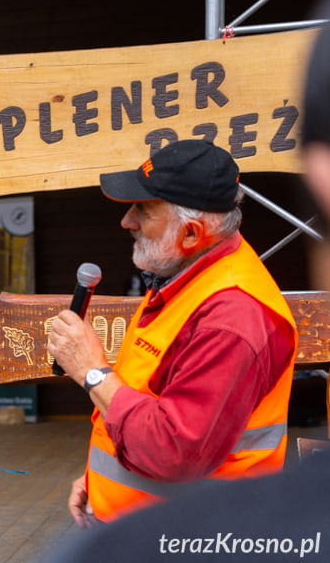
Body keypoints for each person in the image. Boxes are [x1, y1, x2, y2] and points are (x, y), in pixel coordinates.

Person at [47, 139, 298, 527]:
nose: (126, 221)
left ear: (192, 234)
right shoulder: (185, 274)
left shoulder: (232, 319)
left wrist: (90, 369)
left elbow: (174, 450)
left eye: (144, 210)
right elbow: (148, 399)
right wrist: (102, 480)